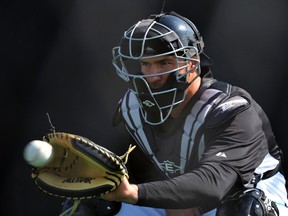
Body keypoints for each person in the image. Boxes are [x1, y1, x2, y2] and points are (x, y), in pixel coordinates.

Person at [60, 11, 288, 215]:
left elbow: (214, 183)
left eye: (164, 62)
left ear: (192, 62)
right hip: (178, 200)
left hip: (241, 195)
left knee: (245, 210)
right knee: (91, 204)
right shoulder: (133, 108)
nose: (152, 75)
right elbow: (139, 170)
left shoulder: (232, 110)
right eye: (145, 64)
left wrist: (136, 193)